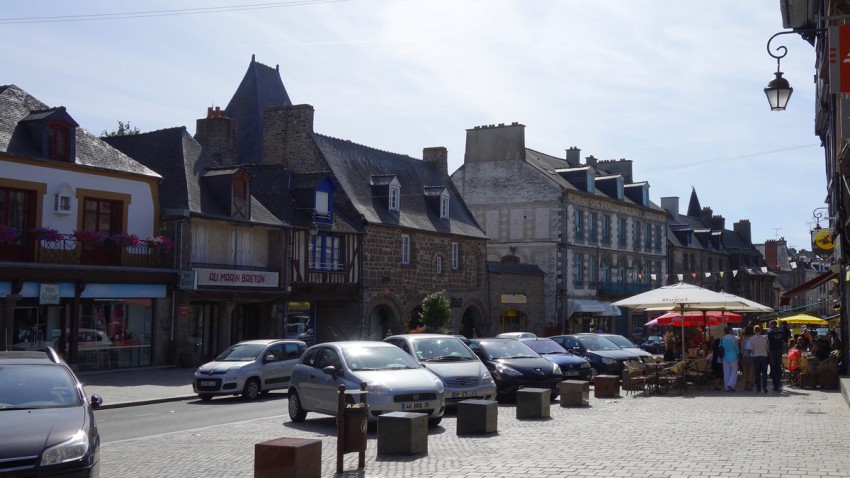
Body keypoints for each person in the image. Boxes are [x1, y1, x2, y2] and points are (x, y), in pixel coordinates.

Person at [765, 320, 786, 393]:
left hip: (772, 352)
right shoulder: (781, 331)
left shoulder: (770, 332)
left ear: (771, 325)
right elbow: (784, 341)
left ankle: (775, 386)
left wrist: (768, 352)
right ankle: (779, 384)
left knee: (773, 368)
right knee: (778, 368)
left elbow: (767, 343)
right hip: (779, 351)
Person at [750, 325, 769, 393]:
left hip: (756, 356)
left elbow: (752, 350)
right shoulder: (765, 338)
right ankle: (764, 386)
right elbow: (767, 348)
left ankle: (758, 388)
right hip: (764, 356)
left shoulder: (752, 339)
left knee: (757, 373)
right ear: (760, 330)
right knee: (764, 373)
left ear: (754, 331)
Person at [720, 326, 740, 391]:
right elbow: (737, 349)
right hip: (733, 356)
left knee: (726, 372)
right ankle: (731, 384)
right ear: (729, 331)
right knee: (734, 371)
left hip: (724, 357)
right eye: (731, 330)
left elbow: (720, 347)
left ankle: (727, 387)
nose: (732, 331)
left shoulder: (722, 338)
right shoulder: (733, 338)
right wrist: (738, 356)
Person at [739, 326, 755, 391]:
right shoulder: (753, 338)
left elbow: (741, 350)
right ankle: (750, 385)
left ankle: (745, 385)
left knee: (745, 372)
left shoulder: (743, 338)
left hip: (745, 356)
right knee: (751, 372)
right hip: (752, 356)